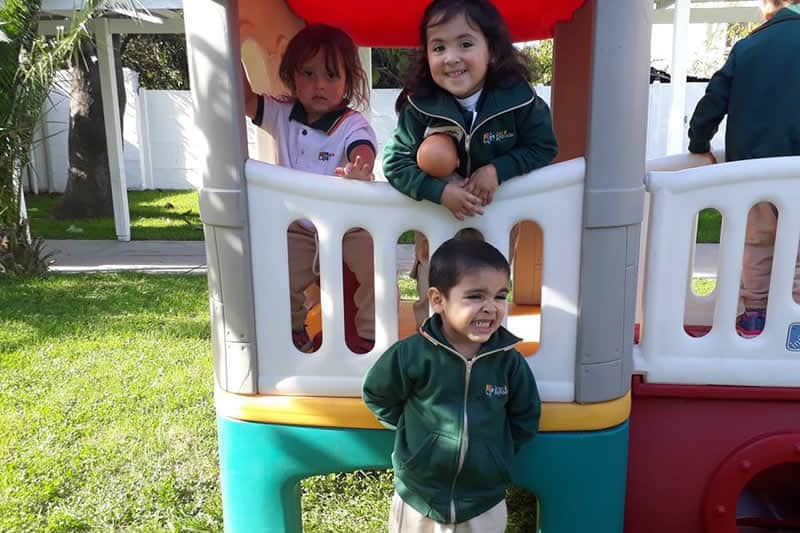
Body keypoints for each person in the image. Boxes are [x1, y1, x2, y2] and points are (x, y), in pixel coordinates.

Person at [383, 0, 558, 327]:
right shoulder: (420, 105)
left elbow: (544, 146)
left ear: (491, 50)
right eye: (438, 47)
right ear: (426, 55)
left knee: (486, 283)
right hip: (438, 215)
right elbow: (395, 162)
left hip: (493, 214)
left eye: (465, 44)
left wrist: (498, 170)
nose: (451, 57)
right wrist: (439, 191)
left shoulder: (517, 98)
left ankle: (485, 341)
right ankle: (432, 343)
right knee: (435, 284)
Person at [363, 238, 541, 532]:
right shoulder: (412, 355)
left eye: (500, 296)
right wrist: (414, 435)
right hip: (419, 494)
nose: (490, 307)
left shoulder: (508, 362)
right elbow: (378, 393)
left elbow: (525, 416)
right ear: (437, 300)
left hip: (484, 497)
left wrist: (495, 454)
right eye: (475, 296)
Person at [242, 24, 377, 353]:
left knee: (374, 267)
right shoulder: (281, 112)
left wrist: (360, 167)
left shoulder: (351, 122)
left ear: (348, 81)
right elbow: (245, 99)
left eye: (331, 75)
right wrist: (229, 47)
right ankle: (291, 330)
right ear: (291, 75)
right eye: (308, 73)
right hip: (298, 226)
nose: (319, 85)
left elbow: (362, 149)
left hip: (348, 225)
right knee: (278, 273)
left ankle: (369, 333)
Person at [687, 0, 800, 337]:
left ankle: (756, 314)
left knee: (758, 243)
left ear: (769, 7)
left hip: (754, 168)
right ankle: (795, 317)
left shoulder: (748, 47)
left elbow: (713, 100)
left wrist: (699, 143)